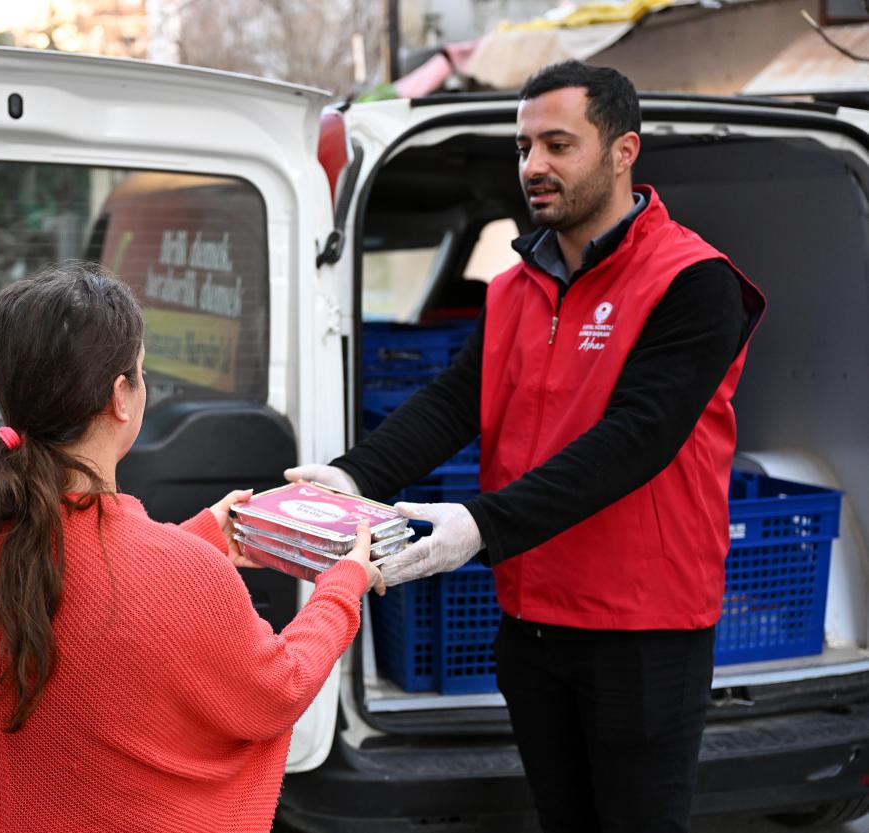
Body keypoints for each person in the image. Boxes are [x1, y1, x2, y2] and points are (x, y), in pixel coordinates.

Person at [288, 61, 766, 833]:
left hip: (643, 629)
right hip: (534, 618)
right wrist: (352, 476)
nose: (533, 166)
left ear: (623, 151)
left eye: (557, 144)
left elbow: (637, 439)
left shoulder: (693, 280)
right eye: (522, 147)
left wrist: (479, 525)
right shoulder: (517, 284)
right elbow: (455, 401)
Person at [0, 261, 384, 833]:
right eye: (140, 373)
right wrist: (342, 585)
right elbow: (277, 689)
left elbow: (84, 590)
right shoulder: (177, 574)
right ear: (121, 396)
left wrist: (202, 539)